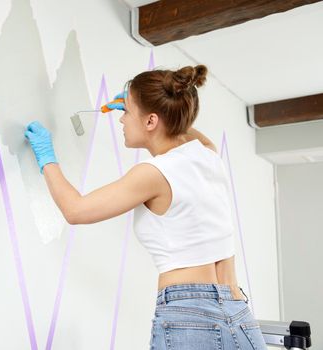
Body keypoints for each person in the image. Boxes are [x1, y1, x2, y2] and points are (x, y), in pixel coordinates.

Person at [24, 65, 267, 349]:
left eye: (126, 111)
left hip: (190, 314)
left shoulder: (153, 173)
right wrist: (158, 110)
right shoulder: (209, 157)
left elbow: (76, 210)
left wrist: (46, 156)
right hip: (238, 310)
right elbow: (195, 138)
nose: (121, 120)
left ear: (151, 121)